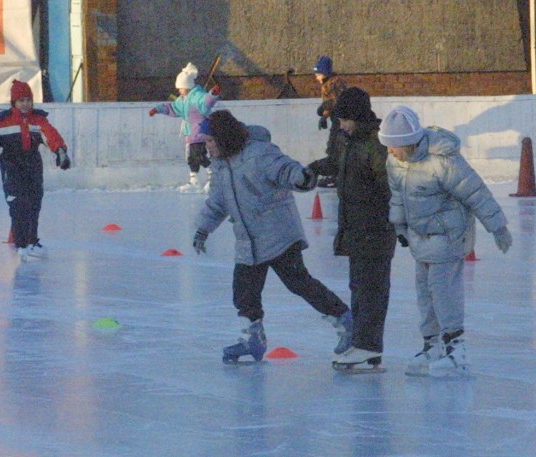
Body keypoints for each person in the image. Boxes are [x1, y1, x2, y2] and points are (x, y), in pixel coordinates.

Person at [192, 110, 353, 365]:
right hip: (248, 238)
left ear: (224, 138)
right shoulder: (222, 165)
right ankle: (252, 340)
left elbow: (285, 169)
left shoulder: (259, 153)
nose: (207, 146)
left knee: (299, 283)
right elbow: (218, 201)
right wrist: (203, 229)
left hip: (278, 234)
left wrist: (301, 177)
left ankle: (345, 321)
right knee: (244, 293)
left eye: (210, 140)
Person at [379, 105, 513, 377]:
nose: (389, 151)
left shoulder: (443, 160)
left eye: (394, 146)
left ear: (408, 143)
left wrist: (498, 227)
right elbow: (397, 195)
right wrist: (400, 225)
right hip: (420, 237)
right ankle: (432, 345)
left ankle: (456, 348)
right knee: (425, 293)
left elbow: (475, 192)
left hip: (449, 234)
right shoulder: (395, 161)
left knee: (443, 289)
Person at [308, 87, 397, 372]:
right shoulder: (352, 141)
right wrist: (312, 168)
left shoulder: (375, 145)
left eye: (345, 119)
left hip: (374, 228)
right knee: (360, 288)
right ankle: (364, 344)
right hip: (357, 227)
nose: (341, 125)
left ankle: (368, 345)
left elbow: (389, 187)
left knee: (371, 289)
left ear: (357, 116)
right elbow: (338, 165)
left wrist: (391, 219)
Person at [0, 79, 70, 262]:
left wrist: (60, 152)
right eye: (21, 101)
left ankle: (32, 242)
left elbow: (51, 136)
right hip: (11, 167)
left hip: (33, 166)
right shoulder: (1, 122)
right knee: (19, 205)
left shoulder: (38, 119)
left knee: (34, 204)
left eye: (28, 100)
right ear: (14, 102)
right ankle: (20, 244)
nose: (25, 104)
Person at [149, 62, 221, 192]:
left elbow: (206, 102)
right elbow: (172, 108)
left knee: (199, 155)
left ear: (187, 86)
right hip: (190, 133)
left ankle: (213, 177)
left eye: (180, 88)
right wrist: (158, 109)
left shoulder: (197, 96)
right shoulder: (182, 100)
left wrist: (212, 94)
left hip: (200, 132)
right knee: (191, 157)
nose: (179, 90)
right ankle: (194, 181)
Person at [313, 55, 347, 188]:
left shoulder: (332, 84)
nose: (316, 77)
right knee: (335, 146)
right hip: (338, 119)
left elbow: (335, 101)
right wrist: (325, 115)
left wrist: (324, 110)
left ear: (324, 73)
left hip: (340, 121)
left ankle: (337, 176)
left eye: (318, 74)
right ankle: (336, 175)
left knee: (335, 147)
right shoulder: (333, 82)